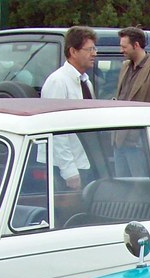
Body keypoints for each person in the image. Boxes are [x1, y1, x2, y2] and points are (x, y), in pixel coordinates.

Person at [41, 26, 98, 190]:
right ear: (73, 51)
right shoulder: (58, 82)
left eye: (95, 48)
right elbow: (55, 130)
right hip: (64, 168)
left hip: (84, 161)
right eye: (89, 49)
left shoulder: (85, 81)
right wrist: (69, 170)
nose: (94, 53)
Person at [113, 27, 150, 177]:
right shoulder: (125, 66)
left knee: (140, 187)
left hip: (138, 142)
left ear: (136, 45)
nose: (122, 50)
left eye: (124, 47)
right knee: (121, 187)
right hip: (118, 138)